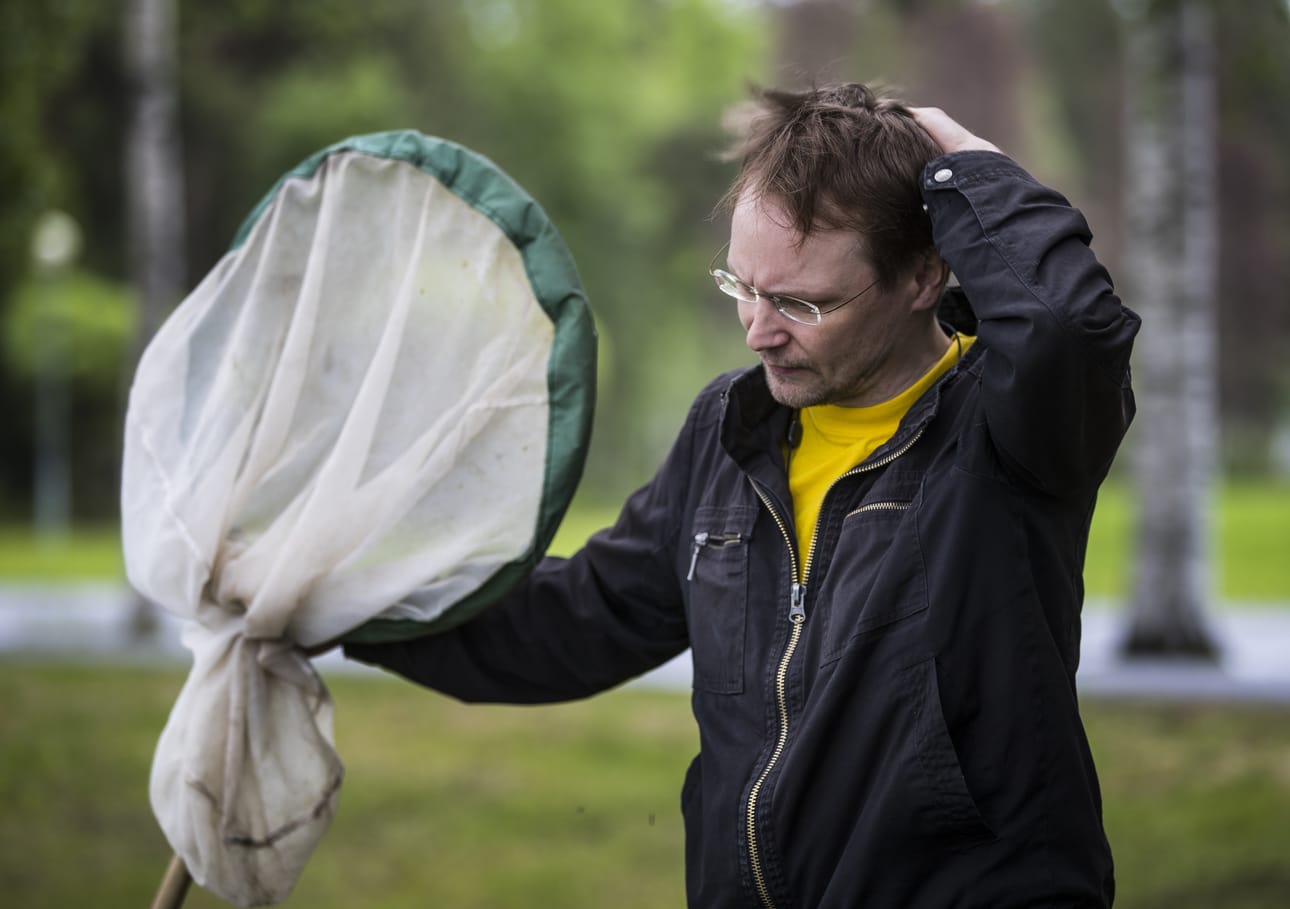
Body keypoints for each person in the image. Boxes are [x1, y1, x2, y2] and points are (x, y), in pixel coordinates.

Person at [345, 82, 1140, 907]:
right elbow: (576, 618)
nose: (759, 330)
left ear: (922, 274)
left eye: (801, 302)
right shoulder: (730, 429)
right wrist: (346, 602)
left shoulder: (1011, 430)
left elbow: (1068, 328)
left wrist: (963, 162)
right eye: (742, 287)